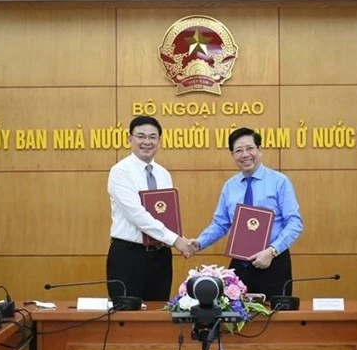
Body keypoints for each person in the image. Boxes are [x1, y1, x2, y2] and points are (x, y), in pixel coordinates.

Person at [190, 127, 303, 300]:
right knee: (236, 312)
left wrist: (272, 251)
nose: (245, 154)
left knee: (275, 314)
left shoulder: (279, 181)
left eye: (250, 148)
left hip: (273, 260)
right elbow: (221, 224)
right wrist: (199, 243)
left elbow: (295, 223)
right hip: (240, 264)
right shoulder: (230, 186)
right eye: (238, 150)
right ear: (232, 155)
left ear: (259, 149)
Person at [107, 115, 195, 301]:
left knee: (157, 313)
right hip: (129, 256)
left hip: (160, 256)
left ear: (159, 141)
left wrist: (178, 239)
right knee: (126, 314)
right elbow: (136, 214)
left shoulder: (163, 174)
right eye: (141, 136)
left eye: (152, 137)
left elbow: (167, 215)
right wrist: (175, 240)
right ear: (130, 139)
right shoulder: (120, 171)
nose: (147, 142)